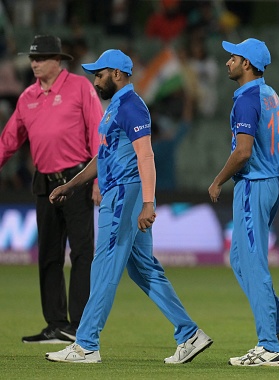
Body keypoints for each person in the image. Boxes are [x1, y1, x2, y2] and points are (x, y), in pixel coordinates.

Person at [45, 49, 212, 364]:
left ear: (118, 74)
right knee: (144, 269)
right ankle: (189, 334)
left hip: (124, 195)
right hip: (123, 192)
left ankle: (86, 345)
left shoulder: (132, 107)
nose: (95, 80)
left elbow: (145, 155)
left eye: (100, 74)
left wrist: (148, 203)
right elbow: (104, 156)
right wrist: (71, 185)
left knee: (105, 265)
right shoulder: (117, 108)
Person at [0, 35, 103, 344]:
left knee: (82, 253)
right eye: (33, 57)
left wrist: (98, 180)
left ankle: (79, 327)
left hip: (77, 180)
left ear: (58, 61)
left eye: (42, 57)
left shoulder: (80, 87)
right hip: (44, 182)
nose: (34, 62)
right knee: (48, 255)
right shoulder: (27, 96)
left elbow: (98, 133)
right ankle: (56, 324)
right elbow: (9, 140)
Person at [208, 38, 279, 367]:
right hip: (271, 182)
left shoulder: (247, 99)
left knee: (253, 264)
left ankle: (268, 346)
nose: (227, 62)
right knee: (240, 261)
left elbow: (243, 151)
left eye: (233, 58)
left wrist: (218, 179)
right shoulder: (269, 93)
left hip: (254, 185)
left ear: (247, 64)